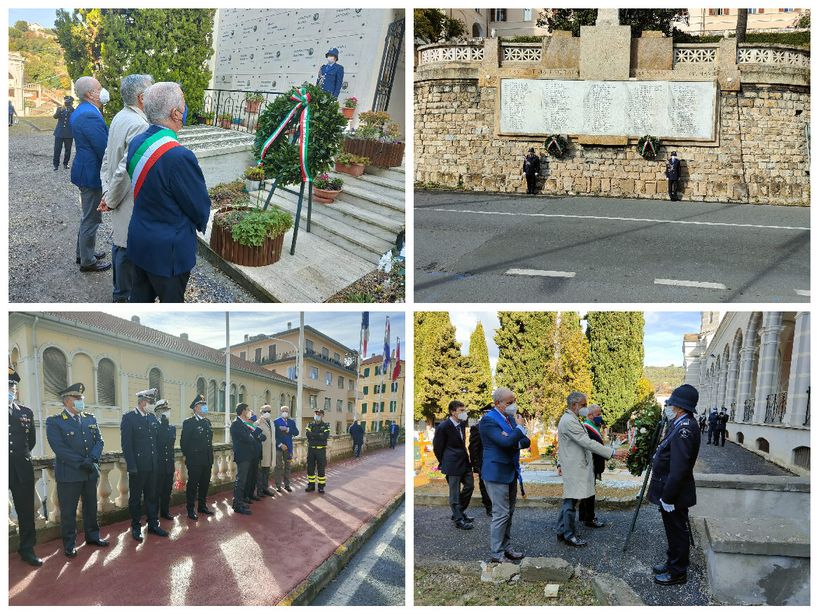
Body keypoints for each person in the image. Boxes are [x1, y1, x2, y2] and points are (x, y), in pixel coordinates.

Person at [125, 81, 210, 302]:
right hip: (167, 253)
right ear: (175, 113)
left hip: (139, 240)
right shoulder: (179, 156)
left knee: (139, 299)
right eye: (183, 103)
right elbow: (199, 207)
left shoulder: (136, 142)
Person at [98, 73, 153, 302]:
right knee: (126, 248)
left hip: (116, 192)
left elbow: (107, 157)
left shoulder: (120, 116)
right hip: (126, 197)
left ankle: (120, 293)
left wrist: (106, 191)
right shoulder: (140, 125)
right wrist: (110, 199)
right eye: (150, 90)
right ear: (141, 97)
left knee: (120, 243)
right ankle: (122, 298)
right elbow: (125, 168)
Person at [45, 382, 109, 557]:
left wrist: (92, 458)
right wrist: (82, 462)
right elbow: (59, 448)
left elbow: (99, 441)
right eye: (77, 398)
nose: (81, 401)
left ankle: (93, 536)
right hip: (69, 474)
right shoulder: (55, 421)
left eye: (82, 398)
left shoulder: (90, 419)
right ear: (67, 401)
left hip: (89, 472)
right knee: (68, 511)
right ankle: (69, 544)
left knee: (91, 507)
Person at [648, 384, 701, 586]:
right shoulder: (680, 423)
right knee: (673, 531)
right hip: (672, 490)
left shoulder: (685, 429)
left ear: (679, 407)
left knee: (677, 532)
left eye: (671, 404)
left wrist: (668, 497)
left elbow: (679, 469)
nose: (669, 407)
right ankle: (672, 563)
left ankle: (677, 572)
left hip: (674, 493)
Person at [557, 392, 623, 547]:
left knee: (570, 500)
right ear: (574, 405)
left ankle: (562, 530)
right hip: (574, 468)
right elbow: (587, 442)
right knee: (570, 502)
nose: (585, 408)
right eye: (583, 405)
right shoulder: (569, 421)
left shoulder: (572, 419)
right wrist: (612, 452)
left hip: (576, 466)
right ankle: (569, 535)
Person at [479, 387, 530, 563]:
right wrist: (518, 431)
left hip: (510, 471)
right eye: (509, 402)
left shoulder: (509, 419)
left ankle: (506, 547)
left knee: (509, 513)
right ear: (497, 403)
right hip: (496, 473)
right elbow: (505, 441)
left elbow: (525, 441)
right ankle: (497, 553)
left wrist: (512, 438)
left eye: (514, 401)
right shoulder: (488, 420)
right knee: (501, 514)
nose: (513, 405)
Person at [70, 76, 111, 272]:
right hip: (91, 173)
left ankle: (84, 253)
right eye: (99, 88)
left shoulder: (84, 110)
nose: (102, 91)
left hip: (85, 169)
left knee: (87, 216)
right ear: (89, 94)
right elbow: (103, 147)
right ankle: (87, 261)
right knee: (91, 218)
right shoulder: (89, 115)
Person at [121, 388, 168, 541]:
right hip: (138, 467)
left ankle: (153, 524)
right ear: (142, 402)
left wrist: (164, 422)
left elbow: (157, 441)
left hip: (152, 466)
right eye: (150, 402)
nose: (152, 405)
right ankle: (136, 526)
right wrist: (132, 466)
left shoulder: (152, 418)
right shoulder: (129, 418)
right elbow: (126, 445)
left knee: (152, 496)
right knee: (135, 498)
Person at [8, 368, 43, 566]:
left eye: (12, 387)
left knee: (26, 512)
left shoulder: (26, 412)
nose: (10, 390)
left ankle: (27, 548)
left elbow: (31, 441)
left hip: (22, 468)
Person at [433, 400, 474, 530]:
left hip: (464, 462)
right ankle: (458, 520)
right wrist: (444, 461)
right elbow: (437, 447)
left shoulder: (461, 424)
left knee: (469, 486)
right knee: (454, 493)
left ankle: (458, 512)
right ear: (453, 412)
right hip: (452, 464)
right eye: (461, 410)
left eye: (464, 410)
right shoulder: (443, 426)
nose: (464, 413)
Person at [180, 394, 214, 520]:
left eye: (205, 404)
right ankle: (190, 509)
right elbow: (184, 443)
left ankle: (202, 506)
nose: (205, 407)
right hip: (195, 461)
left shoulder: (207, 422)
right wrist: (189, 457)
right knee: (193, 486)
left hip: (207, 459)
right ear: (195, 408)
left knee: (205, 484)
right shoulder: (189, 422)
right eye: (202, 405)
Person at [577, 404, 608, 529]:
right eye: (598, 414)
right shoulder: (586, 428)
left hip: (593, 464)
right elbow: (593, 446)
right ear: (590, 415)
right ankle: (589, 518)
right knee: (589, 492)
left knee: (586, 491)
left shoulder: (593, 426)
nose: (600, 417)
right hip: (589, 465)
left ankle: (583, 515)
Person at [230, 403, 257, 514]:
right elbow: (247, 438)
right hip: (242, 456)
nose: (249, 411)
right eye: (247, 409)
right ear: (243, 411)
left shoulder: (243, 423)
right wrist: (252, 437)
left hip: (247, 455)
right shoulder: (236, 424)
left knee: (243, 480)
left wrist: (252, 436)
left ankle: (238, 502)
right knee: (241, 481)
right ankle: (237, 505)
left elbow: (251, 436)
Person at [468, 403, 493, 516]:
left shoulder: (497, 425)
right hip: (483, 462)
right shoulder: (477, 428)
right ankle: (489, 507)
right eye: (487, 413)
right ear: (484, 414)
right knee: (484, 485)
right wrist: (476, 465)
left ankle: (496, 505)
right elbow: (473, 448)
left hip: (496, 461)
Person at [154, 399, 176, 519]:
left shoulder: (172, 428)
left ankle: (165, 512)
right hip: (158, 465)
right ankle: (154, 515)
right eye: (164, 410)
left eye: (167, 410)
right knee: (156, 492)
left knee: (167, 491)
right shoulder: (155, 427)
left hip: (169, 465)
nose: (166, 412)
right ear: (158, 412)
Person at [305, 408, 331, 493]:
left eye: (319, 414)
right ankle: (311, 485)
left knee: (321, 469)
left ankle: (321, 487)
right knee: (310, 468)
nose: (317, 415)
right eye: (316, 414)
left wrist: (313, 435)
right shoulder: (310, 425)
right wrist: (319, 435)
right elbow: (308, 435)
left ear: (323, 415)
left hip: (321, 451)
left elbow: (325, 436)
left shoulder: (326, 425)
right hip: (311, 450)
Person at [273, 406, 298, 491]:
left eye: (286, 411)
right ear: (280, 412)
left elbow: (296, 432)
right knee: (278, 467)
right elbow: (274, 436)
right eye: (283, 411)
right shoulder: (276, 421)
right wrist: (280, 444)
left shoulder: (291, 422)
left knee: (288, 467)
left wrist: (288, 429)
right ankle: (278, 486)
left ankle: (287, 485)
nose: (285, 412)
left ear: (288, 412)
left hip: (288, 448)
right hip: (279, 448)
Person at [52, 96, 74, 171]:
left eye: (69, 102)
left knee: (68, 149)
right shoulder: (60, 109)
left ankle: (65, 163)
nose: (67, 103)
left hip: (69, 133)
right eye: (66, 101)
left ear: (71, 102)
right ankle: (55, 164)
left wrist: (71, 110)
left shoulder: (73, 110)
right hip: (59, 132)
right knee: (57, 149)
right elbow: (55, 117)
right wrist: (61, 110)